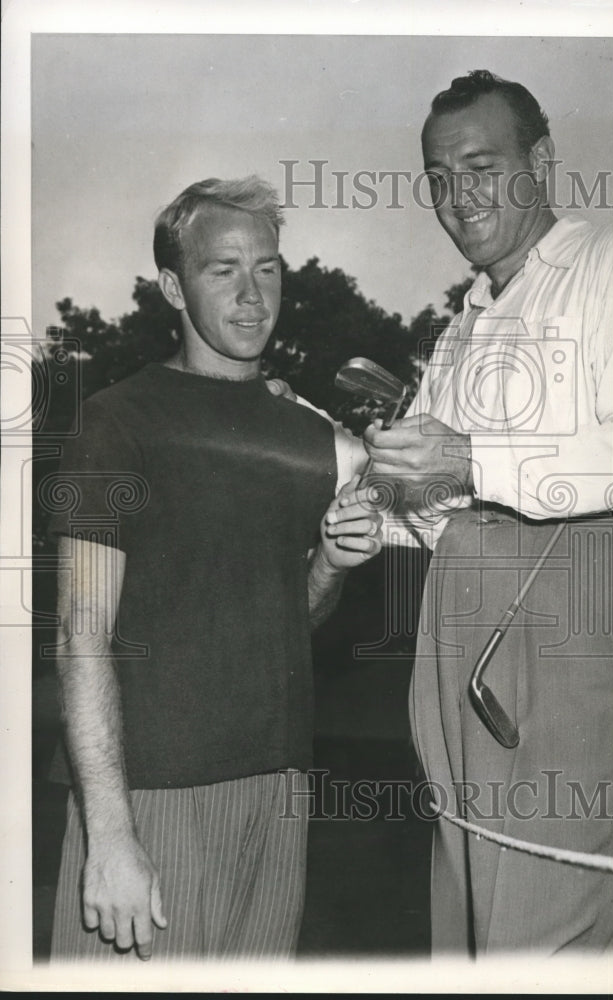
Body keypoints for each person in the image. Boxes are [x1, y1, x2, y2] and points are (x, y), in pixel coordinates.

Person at [362, 70, 613, 955]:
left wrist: (465, 458)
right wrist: (375, 502)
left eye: (480, 167)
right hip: (458, 616)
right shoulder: (461, 329)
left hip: (580, 601)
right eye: (439, 178)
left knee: (549, 927)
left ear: (541, 160)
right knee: (471, 929)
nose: (458, 196)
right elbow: (435, 505)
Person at [47, 175, 381, 961]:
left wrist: (330, 565)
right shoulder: (116, 422)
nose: (251, 295)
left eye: (266, 268)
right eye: (222, 269)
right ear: (173, 286)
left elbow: (289, 619)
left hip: (277, 789)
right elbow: (79, 635)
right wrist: (110, 833)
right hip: (151, 794)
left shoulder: (304, 436)